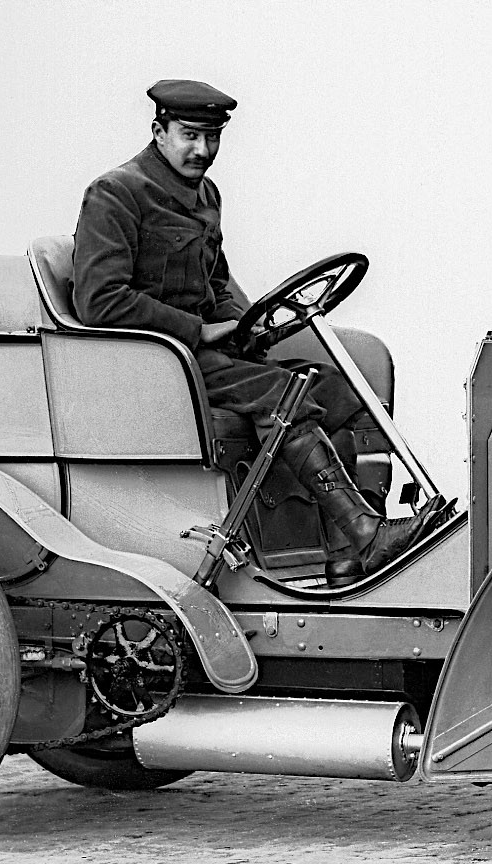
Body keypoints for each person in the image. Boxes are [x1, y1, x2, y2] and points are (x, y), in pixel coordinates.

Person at [71, 79, 441, 585]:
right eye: (189, 135)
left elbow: (216, 281)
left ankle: (349, 558)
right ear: (159, 131)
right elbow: (99, 301)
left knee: (336, 391)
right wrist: (199, 330)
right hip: (160, 363)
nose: (203, 150)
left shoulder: (205, 194)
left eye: (213, 137)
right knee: (283, 395)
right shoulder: (116, 194)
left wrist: (248, 325)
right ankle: (365, 532)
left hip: (205, 357)